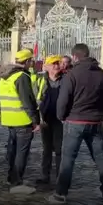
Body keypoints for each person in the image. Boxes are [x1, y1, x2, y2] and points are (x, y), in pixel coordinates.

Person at [47, 44, 103, 204]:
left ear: (75, 57)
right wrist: (101, 113)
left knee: (68, 158)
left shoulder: (72, 75)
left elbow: (63, 100)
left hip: (75, 121)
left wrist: (61, 116)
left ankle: (60, 193)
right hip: (95, 121)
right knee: (101, 157)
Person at [0, 49, 40, 194]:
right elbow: (27, 100)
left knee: (13, 150)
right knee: (21, 152)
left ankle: (11, 177)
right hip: (22, 119)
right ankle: (17, 181)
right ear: (27, 61)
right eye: (30, 61)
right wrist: (36, 120)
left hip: (10, 119)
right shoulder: (22, 76)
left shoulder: (5, 77)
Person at [33, 55, 64, 184]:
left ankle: (60, 177)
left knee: (59, 149)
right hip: (45, 119)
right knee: (46, 148)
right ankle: (45, 175)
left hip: (60, 120)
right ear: (46, 67)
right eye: (53, 63)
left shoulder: (66, 79)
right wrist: (37, 119)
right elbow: (35, 99)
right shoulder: (40, 80)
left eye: (58, 63)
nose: (56, 66)